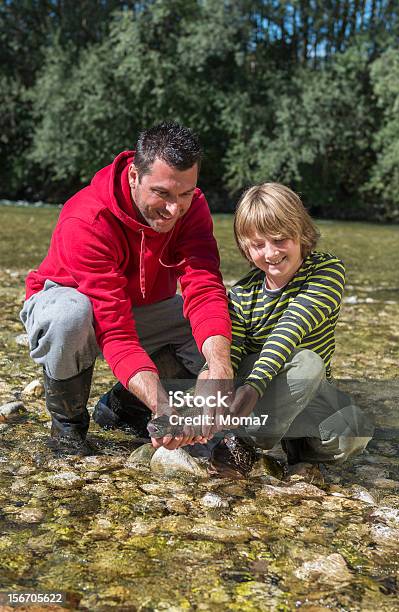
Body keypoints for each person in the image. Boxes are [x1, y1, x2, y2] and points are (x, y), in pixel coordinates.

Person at [20, 122, 234, 456]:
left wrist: (219, 366)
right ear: (134, 176)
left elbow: (204, 286)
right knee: (69, 316)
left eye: (184, 194)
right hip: (73, 305)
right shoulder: (87, 219)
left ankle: (123, 409)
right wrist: (164, 407)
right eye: (161, 193)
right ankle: (68, 428)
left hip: (142, 309)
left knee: (226, 323)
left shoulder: (192, 208)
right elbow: (116, 332)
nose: (174, 209)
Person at [226, 182, 374, 468]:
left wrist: (254, 387)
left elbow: (291, 328)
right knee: (307, 363)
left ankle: (297, 446)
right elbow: (232, 353)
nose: (271, 253)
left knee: (356, 430)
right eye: (258, 245)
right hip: (256, 399)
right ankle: (243, 441)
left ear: (301, 233)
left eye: (280, 239)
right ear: (246, 248)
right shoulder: (242, 294)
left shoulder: (327, 270)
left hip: (307, 396)